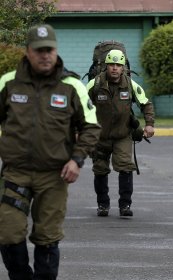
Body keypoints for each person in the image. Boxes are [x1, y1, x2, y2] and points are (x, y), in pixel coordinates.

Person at [0, 24, 101, 279]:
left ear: (56, 51)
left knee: (47, 238)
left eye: (50, 50)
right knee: (8, 232)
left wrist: (77, 160)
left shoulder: (71, 86)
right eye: (39, 50)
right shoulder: (8, 83)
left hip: (54, 176)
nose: (45, 55)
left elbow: (90, 126)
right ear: (28, 52)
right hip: (15, 173)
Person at [87, 49, 155, 218]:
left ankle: (125, 205)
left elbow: (146, 104)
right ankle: (103, 204)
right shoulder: (94, 84)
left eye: (118, 65)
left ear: (124, 67)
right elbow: (80, 106)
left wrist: (149, 124)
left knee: (125, 166)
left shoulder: (131, 85)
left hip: (123, 134)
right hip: (100, 135)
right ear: (106, 66)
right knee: (100, 169)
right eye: (112, 64)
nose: (115, 68)